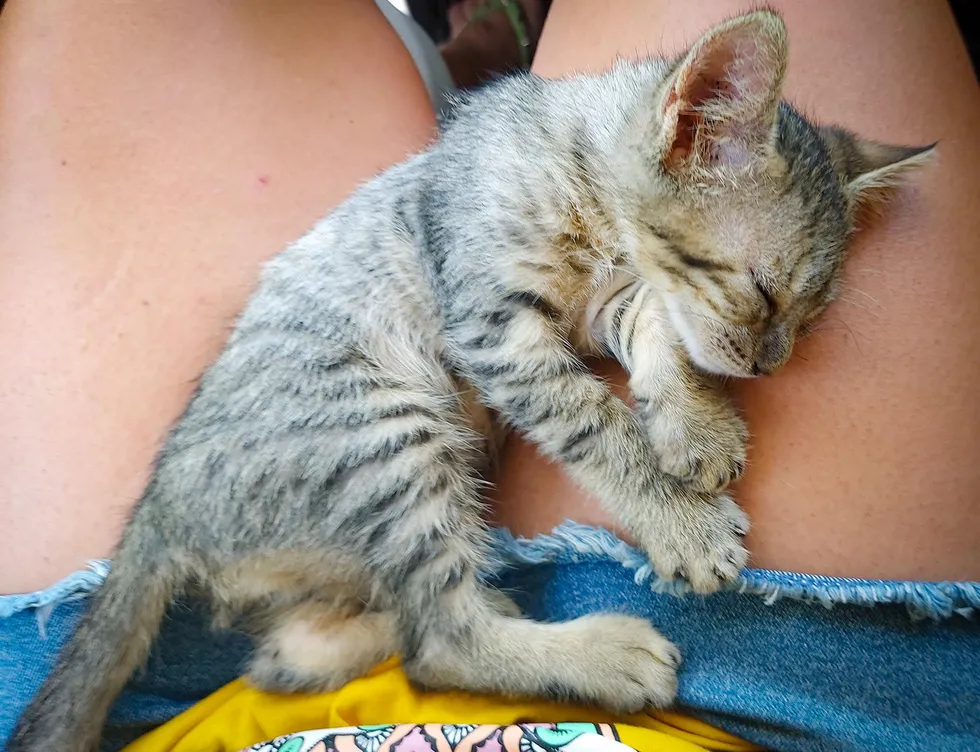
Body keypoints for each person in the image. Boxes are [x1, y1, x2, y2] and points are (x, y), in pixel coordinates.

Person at [1, 0, 977, 749]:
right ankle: (458, 634)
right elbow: (495, 335)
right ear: (683, 130)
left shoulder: (600, 185)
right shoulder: (527, 166)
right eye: (764, 305)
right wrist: (650, 490)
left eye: (798, 326)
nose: (773, 360)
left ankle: (486, 27)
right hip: (718, 698)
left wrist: (671, 385)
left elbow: (614, 301)